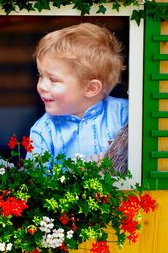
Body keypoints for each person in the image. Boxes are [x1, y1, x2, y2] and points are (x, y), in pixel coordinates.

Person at [28, 22, 128, 167]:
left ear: (90, 88)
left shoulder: (125, 115)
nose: (42, 86)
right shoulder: (44, 130)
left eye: (53, 79)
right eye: (40, 75)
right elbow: (34, 182)